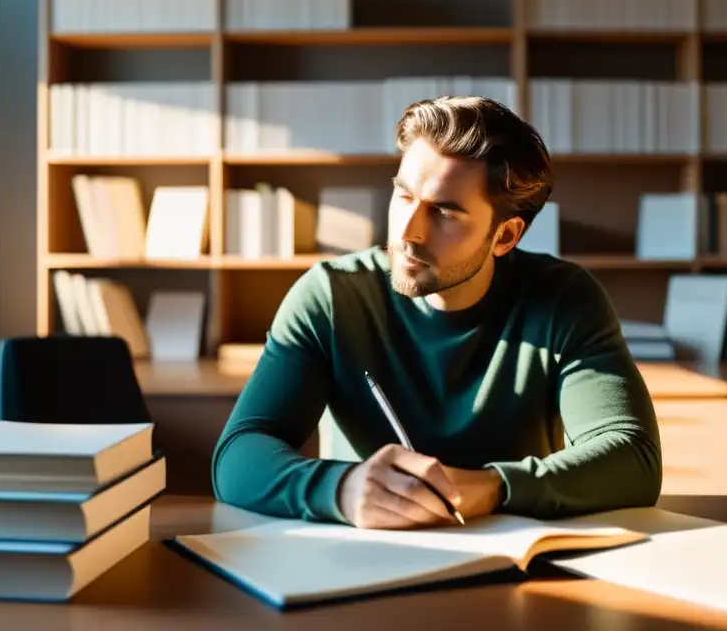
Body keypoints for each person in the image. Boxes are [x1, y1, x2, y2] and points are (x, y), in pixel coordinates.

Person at [211, 95, 662, 530]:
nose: (407, 232)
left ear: (504, 236)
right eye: (403, 196)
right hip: (359, 560)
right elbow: (237, 456)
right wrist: (341, 489)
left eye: (444, 212)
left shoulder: (565, 299)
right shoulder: (330, 295)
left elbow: (631, 457)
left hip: (515, 565)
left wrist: (493, 487)